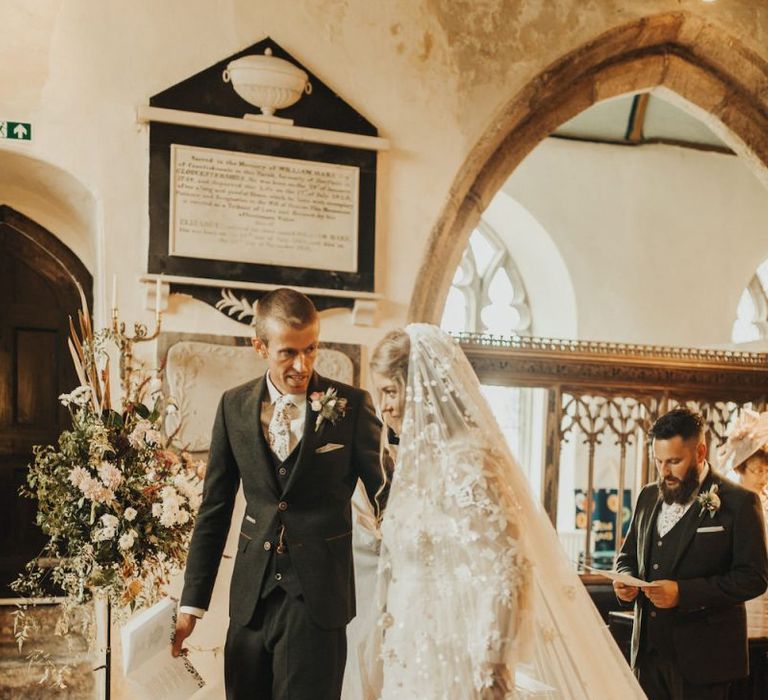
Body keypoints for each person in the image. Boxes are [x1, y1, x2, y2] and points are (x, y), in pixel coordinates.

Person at [363, 324, 646, 699]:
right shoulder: (421, 466)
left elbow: (508, 568)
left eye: (389, 392)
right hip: (415, 650)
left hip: (461, 654)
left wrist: (492, 664)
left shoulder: (468, 461)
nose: (383, 407)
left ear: (420, 387)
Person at [171, 287, 389, 700]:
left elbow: (388, 496)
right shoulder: (232, 407)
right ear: (259, 347)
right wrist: (191, 605)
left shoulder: (352, 406)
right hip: (251, 603)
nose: (302, 365)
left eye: (311, 349)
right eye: (287, 352)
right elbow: (214, 510)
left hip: (318, 604)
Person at [615, 407, 768, 700]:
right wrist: (626, 579)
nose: (664, 471)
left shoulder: (740, 502)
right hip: (647, 657)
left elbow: (753, 578)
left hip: (706, 662)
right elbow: (628, 556)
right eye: (658, 461)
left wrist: (683, 593)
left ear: (700, 453)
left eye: (674, 461)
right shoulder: (647, 496)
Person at [720, 408, 768, 639]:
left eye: (767, 471)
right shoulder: (728, 503)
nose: (763, 477)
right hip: (743, 594)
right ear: (740, 468)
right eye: (757, 471)